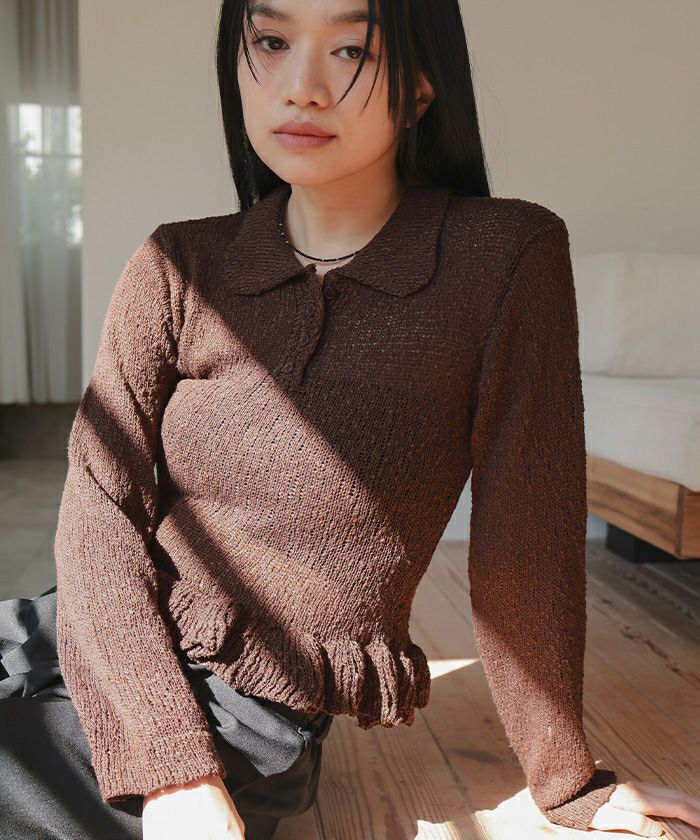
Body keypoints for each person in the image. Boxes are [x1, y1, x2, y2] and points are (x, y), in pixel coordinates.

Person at [1, 1, 698, 838]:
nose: (302, 86)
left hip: (238, 710)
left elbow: (528, 534)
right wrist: (163, 754)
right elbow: (98, 504)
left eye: (352, 50)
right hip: (82, 630)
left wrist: (567, 779)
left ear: (424, 82)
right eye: (270, 41)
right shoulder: (177, 260)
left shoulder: (505, 255)